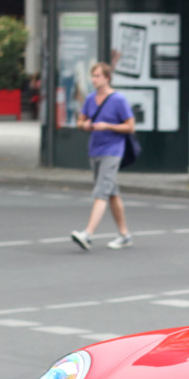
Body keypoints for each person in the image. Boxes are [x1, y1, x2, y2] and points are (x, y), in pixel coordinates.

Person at [70, 62, 136, 251]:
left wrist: (108, 126)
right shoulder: (91, 99)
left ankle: (88, 234)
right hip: (95, 150)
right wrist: (86, 125)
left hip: (113, 150)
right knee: (111, 192)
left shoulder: (118, 100)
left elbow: (130, 126)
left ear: (107, 78)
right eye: (93, 76)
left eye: (98, 76)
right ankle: (124, 235)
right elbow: (80, 122)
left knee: (101, 191)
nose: (94, 79)